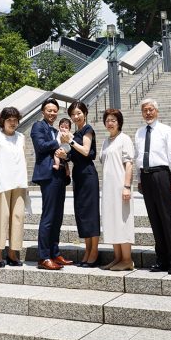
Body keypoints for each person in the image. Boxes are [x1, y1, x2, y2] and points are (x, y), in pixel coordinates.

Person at [134, 98, 171, 274]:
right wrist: (139, 179)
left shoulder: (166, 131)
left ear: (157, 111)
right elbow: (138, 157)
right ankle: (161, 259)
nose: (148, 113)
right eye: (145, 110)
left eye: (151, 109)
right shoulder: (139, 133)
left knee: (167, 218)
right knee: (154, 219)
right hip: (146, 178)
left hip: (161, 175)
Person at [30, 97, 74, 270]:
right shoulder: (38, 126)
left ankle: (55, 253)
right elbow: (40, 147)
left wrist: (66, 155)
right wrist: (59, 141)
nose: (52, 113)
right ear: (43, 111)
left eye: (55, 110)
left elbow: (65, 152)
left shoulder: (56, 129)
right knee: (49, 216)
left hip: (59, 176)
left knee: (58, 216)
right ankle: (43, 257)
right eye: (49, 110)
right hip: (48, 175)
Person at [0, 107, 29, 267]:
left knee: (18, 218)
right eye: (9, 120)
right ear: (3, 121)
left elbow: (23, 159)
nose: (12, 123)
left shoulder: (21, 137)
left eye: (15, 120)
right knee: (1, 218)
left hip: (19, 182)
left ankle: (13, 253)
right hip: (3, 183)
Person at [99, 108, 135, 271]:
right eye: (107, 120)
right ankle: (118, 257)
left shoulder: (124, 139)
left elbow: (129, 164)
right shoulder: (106, 141)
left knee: (122, 222)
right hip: (108, 188)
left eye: (113, 120)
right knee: (111, 221)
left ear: (119, 122)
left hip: (121, 187)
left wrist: (126, 186)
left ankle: (127, 259)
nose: (110, 123)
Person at [66, 100, 101, 267]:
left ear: (85, 113)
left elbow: (86, 151)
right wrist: (64, 155)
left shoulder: (88, 129)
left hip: (88, 174)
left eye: (78, 113)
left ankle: (94, 251)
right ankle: (87, 250)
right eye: (73, 114)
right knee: (82, 213)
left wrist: (71, 141)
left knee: (91, 212)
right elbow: (75, 154)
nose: (76, 116)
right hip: (78, 174)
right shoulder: (77, 131)